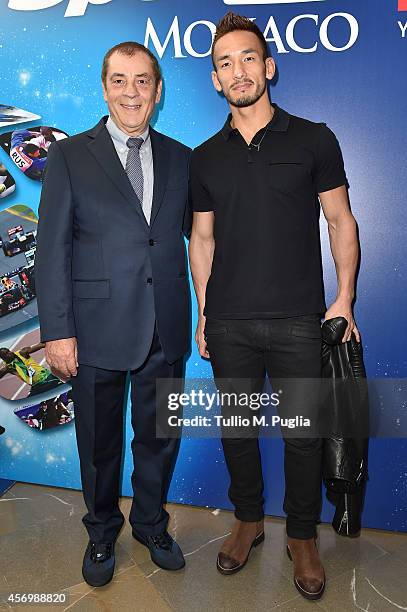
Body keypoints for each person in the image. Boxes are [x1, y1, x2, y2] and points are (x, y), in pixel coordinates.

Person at [189, 12, 360, 601]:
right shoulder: (204, 157)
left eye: (247, 59)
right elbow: (202, 241)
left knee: (303, 437)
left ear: (269, 66)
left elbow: (340, 219)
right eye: (224, 63)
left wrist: (344, 297)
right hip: (229, 323)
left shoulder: (314, 137)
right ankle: (248, 521)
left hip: (297, 323)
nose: (237, 71)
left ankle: (303, 536)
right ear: (215, 79)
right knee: (237, 431)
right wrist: (203, 313)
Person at [35, 41, 191, 587]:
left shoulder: (180, 156)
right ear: (104, 88)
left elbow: (200, 238)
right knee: (99, 446)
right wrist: (58, 332)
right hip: (95, 330)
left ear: (158, 90)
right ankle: (101, 531)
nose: (132, 92)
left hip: (164, 327)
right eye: (120, 81)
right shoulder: (70, 156)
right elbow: (51, 250)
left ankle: (150, 524)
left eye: (143, 81)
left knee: (159, 438)